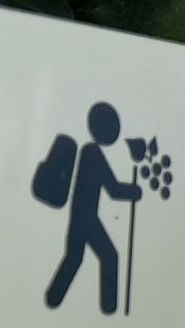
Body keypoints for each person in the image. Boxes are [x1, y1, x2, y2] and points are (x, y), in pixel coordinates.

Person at [43, 102, 141, 315]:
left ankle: (53, 299)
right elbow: (113, 189)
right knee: (109, 257)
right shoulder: (92, 153)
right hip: (86, 219)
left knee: (75, 258)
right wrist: (135, 192)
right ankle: (109, 310)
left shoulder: (89, 151)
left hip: (80, 217)